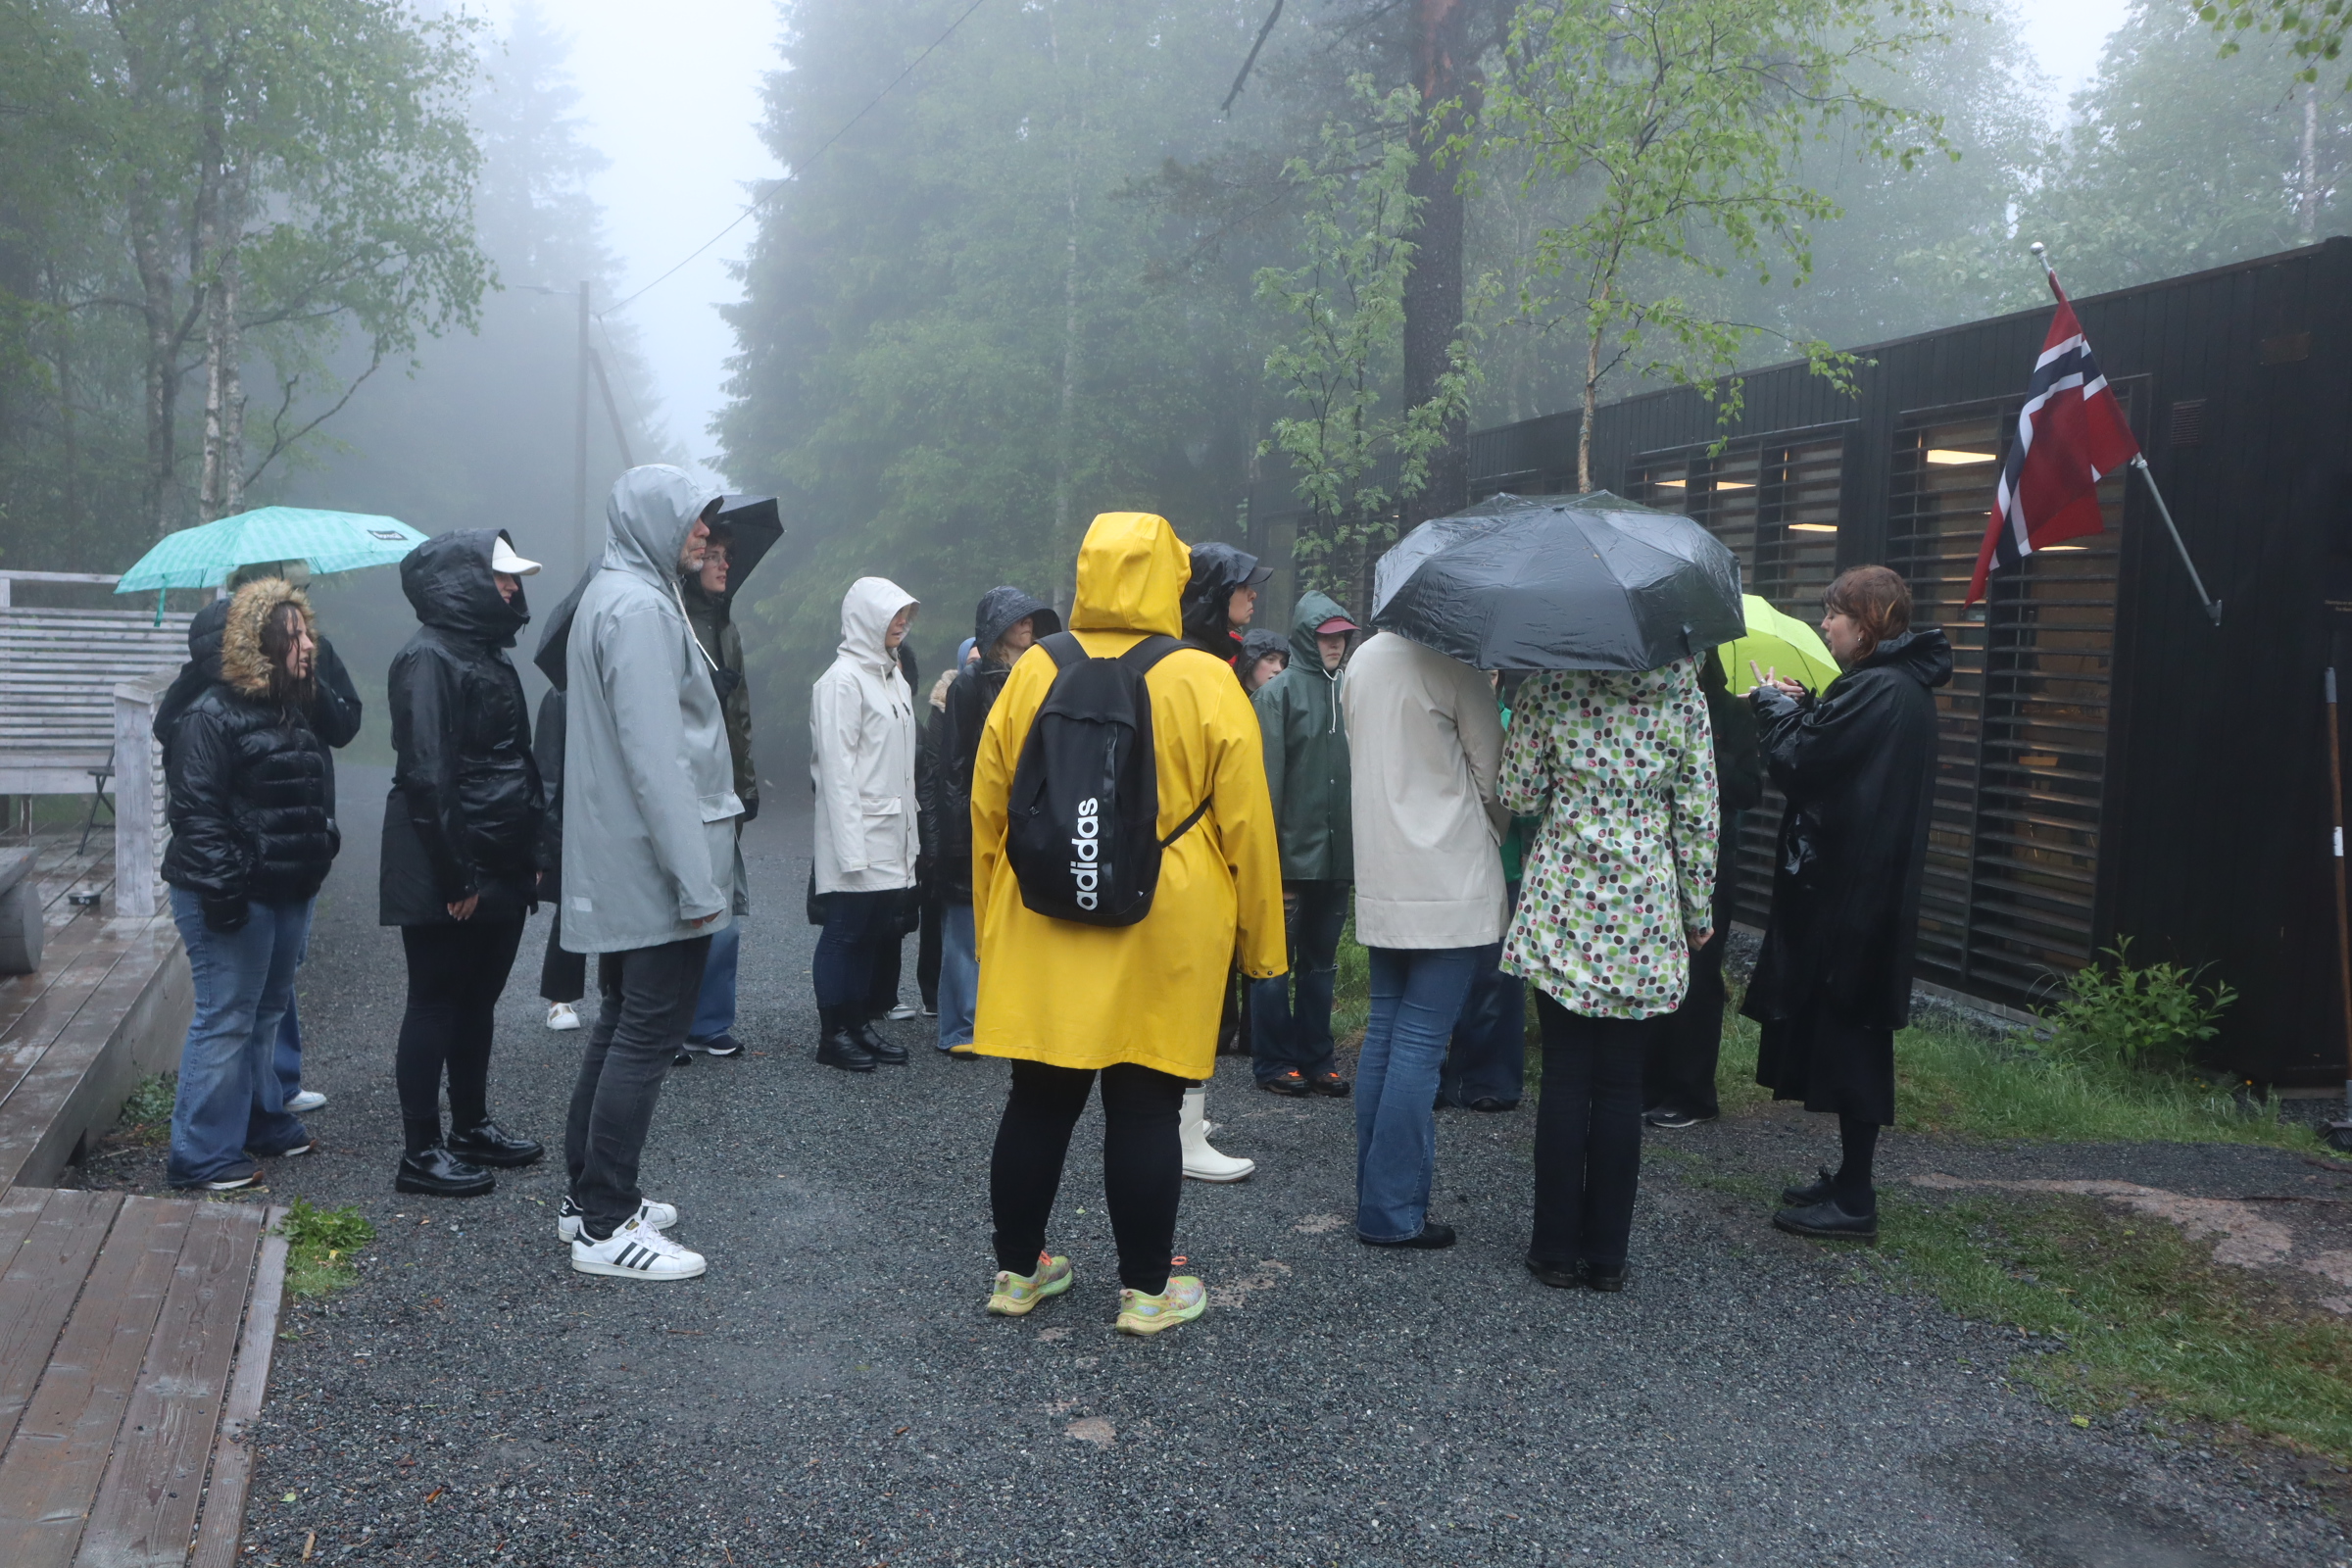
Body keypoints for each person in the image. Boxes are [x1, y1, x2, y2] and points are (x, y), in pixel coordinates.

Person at [970, 512, 1284, 1334]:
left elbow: (988, 810)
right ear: (1170, 582)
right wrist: (1263, 949)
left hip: (1042, 918)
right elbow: (1248, 825)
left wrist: (992, 924)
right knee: (1145, 1108)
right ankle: (1148, 1292)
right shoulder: (1205, 678)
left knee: (1036, 1102)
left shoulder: (1033, 669)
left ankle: (1017, 1273)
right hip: (1164, 924)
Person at [560, 466, 743, 1281]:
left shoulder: (623, 594)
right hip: (657, 863)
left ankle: (589, 1198)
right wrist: (697, 883)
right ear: (655, 521)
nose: (706, 531)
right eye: (695, 518)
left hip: (631, 858)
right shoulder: (637, 608)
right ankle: (606, 1224)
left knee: (620, 1023)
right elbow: (656, 759)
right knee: (646, 1033)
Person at [1500, 657, 1720, 1292]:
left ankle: (1553, 1251)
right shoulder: (1682, 695)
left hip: (1565, 902)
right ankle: (1606, 1258)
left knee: (1566, 1074)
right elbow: (1699, 813)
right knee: (1622, 1082)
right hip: (1642, 909)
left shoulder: (1548, 685)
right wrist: (1697, 907)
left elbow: (1517, 794)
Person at [1746, 566, 1952, 1243]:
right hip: (1864, 892)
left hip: (1853, 899)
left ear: (1865, 622)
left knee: (1854, 1041)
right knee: (1848, 1034)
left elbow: (1804, 763)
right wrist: (1807, 709)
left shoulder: (1880, 689)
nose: (1825, 624)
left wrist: (1777, 711)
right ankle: (1848, 1177)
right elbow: (1836, 753)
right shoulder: (1892, 688)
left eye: (1834, 613)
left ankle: (1857, 1195)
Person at [380, 530, 550, 1198]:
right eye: (501, 577)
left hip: (496, 859)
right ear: (464, 581)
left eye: (514, 578)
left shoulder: (484, 651)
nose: (513, 588)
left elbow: (515, 762)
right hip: (445, 862)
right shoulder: (425, 657)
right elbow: (428, 774)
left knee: (479, 1001)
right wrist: (458, 878)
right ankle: (420, 1151)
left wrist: (529, 853)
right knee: (435, 1001)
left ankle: (470, 1126)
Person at [157, 567, 361, 1118]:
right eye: (294, 636)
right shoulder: (208, 716)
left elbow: (312, 776)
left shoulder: (288, 705)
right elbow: (197, 814)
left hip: (285, 883)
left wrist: (323, 840)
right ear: (259, 646)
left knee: (268, 1010)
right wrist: (224, 889)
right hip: (237, 890)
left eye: (307, 633)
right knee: (227, 1019)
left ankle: (262, 1120)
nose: (309, 644)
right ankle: (202, 1154)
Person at [1341, 628, 1507, 1249]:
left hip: (1384, 868)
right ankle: (1392, 1211)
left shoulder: (1364, 659)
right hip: (1450, 874)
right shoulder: (1456, 665)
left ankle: (1376, 1198)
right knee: (1419, 1043)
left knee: (1386, 1032)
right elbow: (1497, 780)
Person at [936, 587, 1059, 1056]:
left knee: (1018, 924)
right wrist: (953, 835)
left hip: (1025, 816)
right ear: (996, 628)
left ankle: (1001, 1022)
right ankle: (960, 1029)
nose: (1026, 624)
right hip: (975, 816)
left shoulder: (1039, 677)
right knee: (966, 927)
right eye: (1016, 618)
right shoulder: (969, 685)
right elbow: (953, 763)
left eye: (1031, 618)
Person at [1644, 654, 1764, 1128]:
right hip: (1654, 855)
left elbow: (1749, 791)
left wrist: (1710, 755)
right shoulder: (1654, 708)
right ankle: (1648, 1080)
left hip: (1713, 857)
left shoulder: (1731, 714)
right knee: (1652, 963)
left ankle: (1692, 1091)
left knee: (1700, 970)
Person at [1250, 590, 1357, 1100]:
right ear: (1306, 637)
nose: (1335, 644)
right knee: (1275, 964)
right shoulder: (1278, 694)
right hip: (1288, 858)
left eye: (1341, 636)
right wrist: (1266, 856)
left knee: (1322, 964)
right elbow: (1266, 781)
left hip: (1337, 859)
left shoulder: (1353, 692)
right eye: (1325, 635)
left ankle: (1318, 1058)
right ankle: (1274, 1060)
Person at [809, 576, 921, 1072]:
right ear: (866, 618)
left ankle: (858, 1024)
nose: (901, 623)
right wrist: (851, 852)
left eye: (904, 615)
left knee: (874, 932)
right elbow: (836, 772)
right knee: (844, 933)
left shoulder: (892, 676)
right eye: (893, 614)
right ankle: (833, 1034)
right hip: (859, 834)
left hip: (892, 833)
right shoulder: (842, 681)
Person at [680, 523, 759, 1060]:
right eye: (713, 554)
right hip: (682, 785)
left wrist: (747, 783)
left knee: (725, 913)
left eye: (728, 556)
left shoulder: (727, 628)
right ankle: (666, 1024)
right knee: (680, 910)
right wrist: (699, 690)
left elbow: (742, 715)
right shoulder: (672, 619)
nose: (723, 564)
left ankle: (709, 1023)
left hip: (723, 788)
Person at [1440, 674, 1532, 1114]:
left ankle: (1492, 1078)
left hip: (1504, 861)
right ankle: (1442, 1074)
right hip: (1452, 861)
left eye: (1494, 674)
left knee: (1499, 977)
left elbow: (1530, 800)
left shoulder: (1516, 722)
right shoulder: (1445, 719)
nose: (1487, 681)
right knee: (1450, 971)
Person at [867, 639, 929, 1025]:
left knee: (894, 921)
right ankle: (857, 1004)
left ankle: (885, 997)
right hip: (873, 824)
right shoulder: (853, 699)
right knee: (860, 920)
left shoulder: (916, 726)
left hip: (908, 827)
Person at [534, 683, 585, 1032]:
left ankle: (623, 996)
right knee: (574, 904)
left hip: (620, 811)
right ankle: (559, 998)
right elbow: (547, 773)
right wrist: (544, 842)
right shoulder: (561, 695)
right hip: (574, 814)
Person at [1238, 627, 1288, 694]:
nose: (1279, 669)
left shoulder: (1287, 701)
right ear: (1251, 661)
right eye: (1270, 659)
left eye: (1282, 662)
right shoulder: (1225, 695)